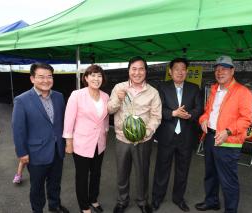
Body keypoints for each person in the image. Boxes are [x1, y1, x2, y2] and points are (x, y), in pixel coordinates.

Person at [195, 56, 252, 213]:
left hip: (228, 142)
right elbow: (208, 112)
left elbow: (246, 119)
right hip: (209, 137)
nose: (220, 72)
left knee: (228, 180)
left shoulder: (243, 92)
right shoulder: (214, 89)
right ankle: (211, 201)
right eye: (217, 69)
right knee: (210, 174)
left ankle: (231, 210)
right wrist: (203, 120)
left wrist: (228, 131)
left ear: (232, 70)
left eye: (224, 68)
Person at [12, 62, 69, 213]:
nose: (46, 80)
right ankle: (38, 210)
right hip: (35, 152)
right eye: (41, 77)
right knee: (37, 186)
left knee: (55, 182)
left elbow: (61, 122)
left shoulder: (59, 96)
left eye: (49, 76)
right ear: (32, 79)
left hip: (57, 150)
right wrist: (22, 153)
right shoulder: (22, 100)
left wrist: (66, 142)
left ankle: (54, 205)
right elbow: (18, 129)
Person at [108, 56, 162, 213]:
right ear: (129, 70)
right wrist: (118, 99)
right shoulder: (119, 87)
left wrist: (146, 132)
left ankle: (142, 201)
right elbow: (109, 109)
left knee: (142, 171)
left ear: (145, 71)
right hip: (122, 138)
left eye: (141, 69)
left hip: (143, 140)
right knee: (122, 171)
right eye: (134, 69)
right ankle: (122, 201)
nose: (137, 72)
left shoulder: (153, 92)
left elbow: (156, 116)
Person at [152, 58, 202, 212]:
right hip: (167, 135)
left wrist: (189, 115)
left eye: (183, 69)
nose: (180, 72)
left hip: (186, 136)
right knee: (162, 168)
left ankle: (178, 198)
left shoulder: (194, 88)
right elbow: (157, 109)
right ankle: (157, 198)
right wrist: (173, 113)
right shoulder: (162, 88)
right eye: (176, 69)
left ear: (187, 71)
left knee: (183, 169)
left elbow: (199, 108)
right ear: (170, 71)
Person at [63, 65, 109, 213]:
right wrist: (68, 142)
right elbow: (69, 120)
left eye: (99, 76)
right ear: (86, 78)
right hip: (81, 143)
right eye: (93, 75)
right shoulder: (77, 95)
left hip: (99, 142)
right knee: (82, 176)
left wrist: (106, 134)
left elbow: (105, 120)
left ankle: (93, 199)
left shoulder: (105, 96)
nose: (96, 79)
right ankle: (84, 206)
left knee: (96, 173)